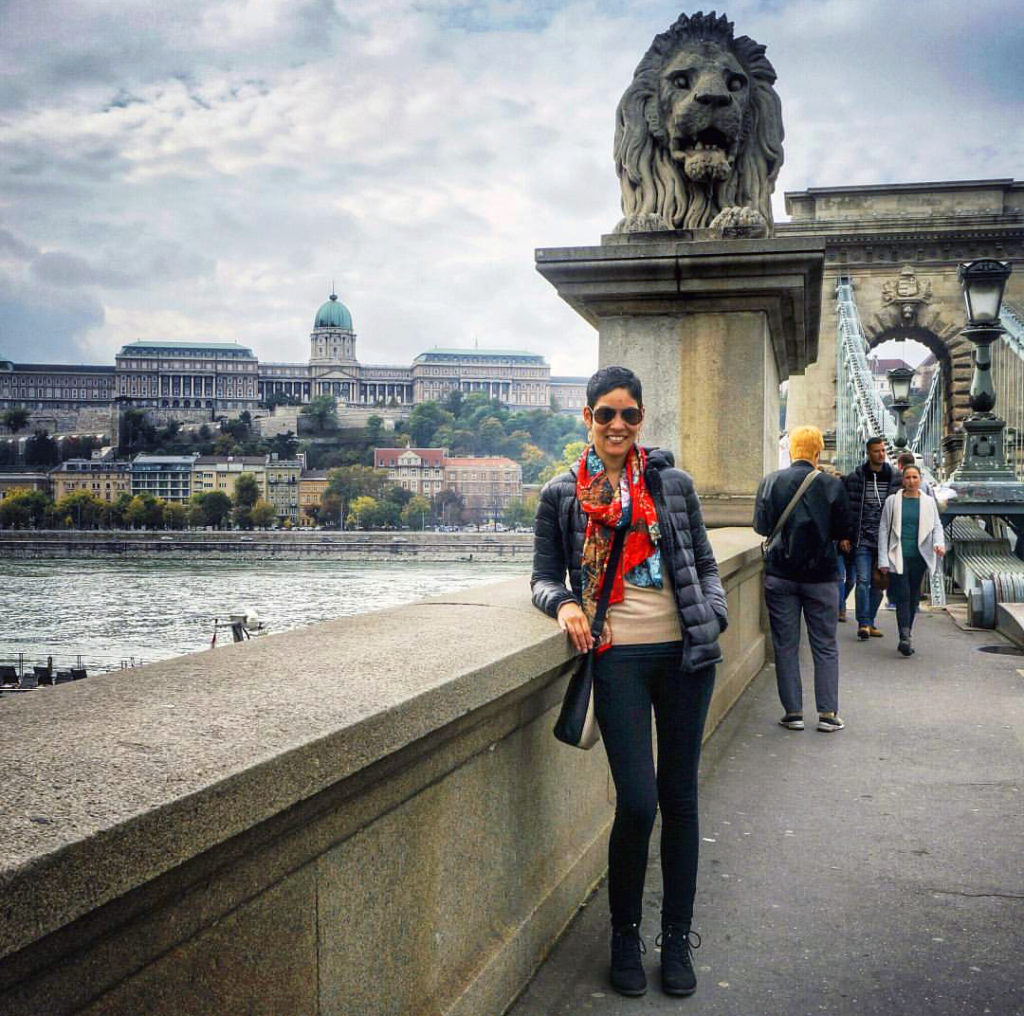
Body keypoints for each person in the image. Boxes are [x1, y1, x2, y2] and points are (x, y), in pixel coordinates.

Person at [531, 365, 727, 999]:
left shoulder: (673, 484)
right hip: (615, 659)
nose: (618, 425)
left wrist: (714, 615)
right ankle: (624, 934)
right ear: (586, 418)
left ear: (642, 420)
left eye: (630, 415)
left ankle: (676, 939)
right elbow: (540, 575)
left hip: (684, 656)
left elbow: (702, 560)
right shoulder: (561, 494)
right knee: (637, 803)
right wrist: (562, 603)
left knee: (681, 801)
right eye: (606, 414)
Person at [754, 426, 852, 733]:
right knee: (825, 644)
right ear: (817, 452)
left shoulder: (770, 481)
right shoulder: (831, 486)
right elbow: (842, 531)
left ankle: (793, 712)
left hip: (780, 574)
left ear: (792, 450)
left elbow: (761, 526)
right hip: (821, 576)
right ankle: (827, 713)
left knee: (786, 645)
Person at [877, 463, 946, 656]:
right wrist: (883, 559)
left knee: (914, 596)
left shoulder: (928, 502)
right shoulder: (893, 501)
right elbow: (884, 529)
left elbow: (936, 526)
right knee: (903, 594)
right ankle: (904, 636)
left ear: (920, 480)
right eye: (908, 478)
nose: (911, 481)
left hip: (920, 555)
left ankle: (907, 632)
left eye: (915, 478)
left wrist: (939, 545)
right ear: (903, 480)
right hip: (898, 554)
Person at [840, 437, 903, 641]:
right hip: (862, 539)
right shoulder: (856, 478)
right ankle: (864, 623)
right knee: (863, 580)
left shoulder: (895, 477)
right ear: (868, 453)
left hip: (885, 541)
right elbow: (847, 509)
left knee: (879, 583)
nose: (881, 454)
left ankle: (871, 620)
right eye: (876, 451)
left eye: (883, 450)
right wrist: (845, 535)